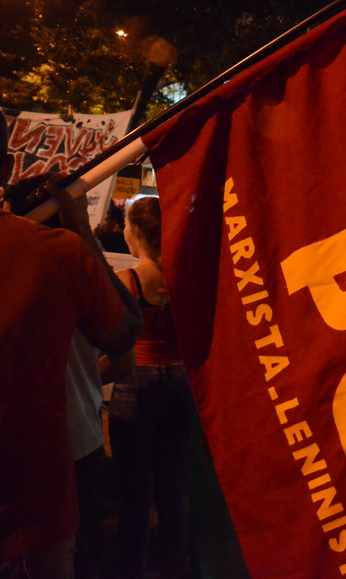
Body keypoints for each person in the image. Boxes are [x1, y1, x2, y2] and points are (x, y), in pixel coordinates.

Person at [1, 118, 143, 579]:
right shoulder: (55, 253)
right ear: (6, 165)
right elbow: (122, 333)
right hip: (29, 509)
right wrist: (79, 228)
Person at [108, 197, 197, 579]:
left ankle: (132, 567)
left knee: (134, 490)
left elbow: (113, 337)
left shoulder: (128, 282)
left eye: (128, 225)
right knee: (171, 484)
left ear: (137, 233)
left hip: (137, 384)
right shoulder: (187, 277)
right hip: (180, 382)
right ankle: (175, 565)